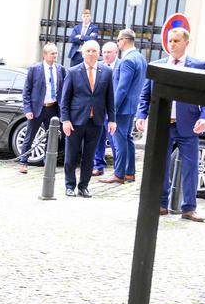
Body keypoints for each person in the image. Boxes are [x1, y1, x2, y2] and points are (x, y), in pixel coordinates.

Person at [136, 27, 205, 222]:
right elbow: (146, 94)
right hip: (162, 124)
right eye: (170, 41)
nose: (172, 44)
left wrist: (204, 116)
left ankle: (189, 208)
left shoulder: (198, 65)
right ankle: (161, 204)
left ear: (186, 42)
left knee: (191, 166)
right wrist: (141, 115)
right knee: (160, 165)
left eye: (176, 41)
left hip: (188, 124)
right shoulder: (158, 65)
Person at [60, 40, 115, 198]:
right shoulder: (72, 71)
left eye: (94, 51)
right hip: (75, 121)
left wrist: (112, 119)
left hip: (96, 121)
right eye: (88, 51)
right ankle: (69, 185)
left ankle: (83, 186)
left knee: (89, 157)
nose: (91, 54)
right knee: (71, 155)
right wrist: (65, 120)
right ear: (82, 53)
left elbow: (110, 98)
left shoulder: (106, 72)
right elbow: (65, 99)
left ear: (98, 54)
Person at [99, 29, 147, 184]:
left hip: (122, 108)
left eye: (118, 40)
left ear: (125, 40)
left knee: (120, 142)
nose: (118, 42)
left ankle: (119, 174)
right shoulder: (140, 58)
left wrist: (112, 110)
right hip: (131, 106)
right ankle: (130, 173)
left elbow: (122, 88)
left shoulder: (127, 60)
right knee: (127, 139)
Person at [19, 43, 65, 174]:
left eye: (56, 53)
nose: (55, 56)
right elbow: (26, 91)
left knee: (52, 137)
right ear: (44, 55)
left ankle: (48, 164)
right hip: (37, 109)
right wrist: (28, 110)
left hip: (53, 108)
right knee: (30, 136)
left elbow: (64, 90)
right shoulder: (34, 69)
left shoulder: (60, 69)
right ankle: (23, 162)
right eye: (52, 53)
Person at [93, 41, 120, 175]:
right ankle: (98, 166)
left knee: (114, 141)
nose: (106, 55)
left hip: (113, 110)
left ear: (116, 52)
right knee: (98, 139)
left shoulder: (121, 66)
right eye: (104, 52)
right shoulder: (99, 67)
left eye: (109, 52)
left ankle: (118, 169)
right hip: (99, 110)